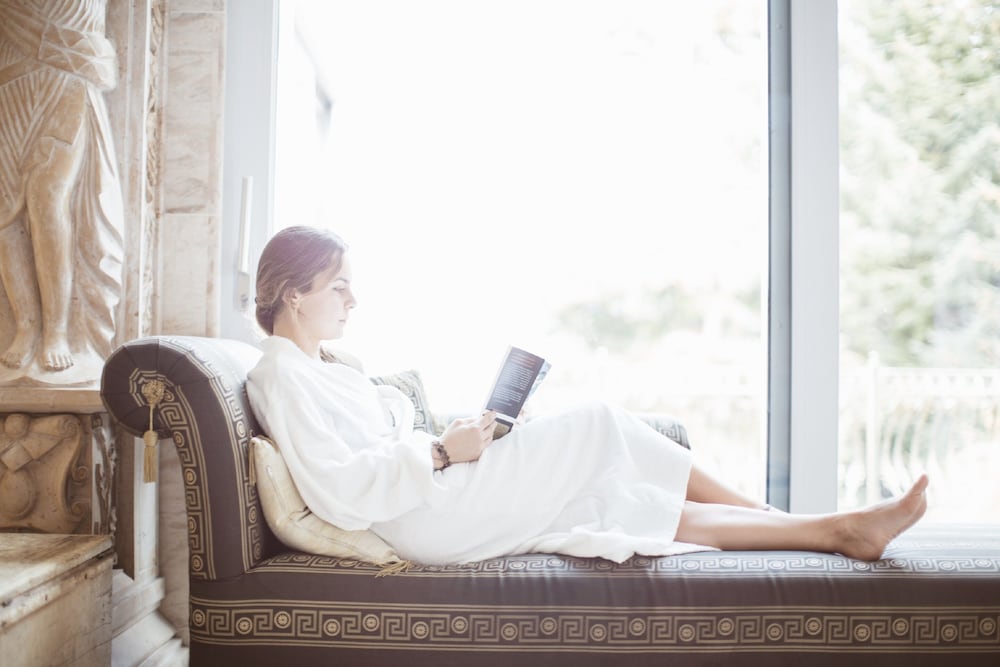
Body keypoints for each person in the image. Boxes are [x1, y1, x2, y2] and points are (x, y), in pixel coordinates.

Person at [246, 225, 929, 566]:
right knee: (598, 423)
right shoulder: (278, 376)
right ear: (293, 293)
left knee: (624, 501)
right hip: (424, 516)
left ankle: (830, 531)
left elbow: (377, 453)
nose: (353, 299)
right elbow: (339, 488)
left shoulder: (328, 367)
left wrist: (462, 442)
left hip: (432, 491)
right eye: (339, 286)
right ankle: (799, 519)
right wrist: (441, 454)